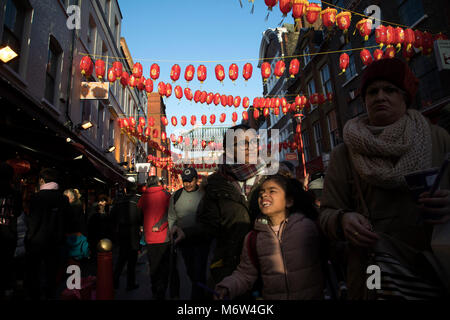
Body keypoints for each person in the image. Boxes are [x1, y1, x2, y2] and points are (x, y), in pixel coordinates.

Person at [319, 58, 450, 299]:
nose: (380, 96)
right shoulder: (345, 153)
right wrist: (342, 220)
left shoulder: (438, 139)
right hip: (374, 267)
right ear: (365, 100)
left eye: (390, 90)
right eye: (372, 92)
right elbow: (326, 213)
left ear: (404, 97)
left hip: (433, 263)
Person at [173, 124, 266, 296]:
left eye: (253, 141)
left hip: (269, 267)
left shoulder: (272, 179)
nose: (249, 147)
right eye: (242, 143)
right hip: (230, 265)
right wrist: (186, 232)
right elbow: (209, 224)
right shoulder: (216, 184)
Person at [214, 174, 324, 300]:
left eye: (272, 191)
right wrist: (227, 286)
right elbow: (245, 274)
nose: (264, 195)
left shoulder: (308, 227)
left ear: (289, 201)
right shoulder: (253, 238)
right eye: (262, 192)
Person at [25, 168, 70, 300]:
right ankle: (49, 294)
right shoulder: (63, 199)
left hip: (37, 241)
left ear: (42, 180)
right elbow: (66, 220)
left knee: (35, 273)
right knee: (51, 273)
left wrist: (29, 238)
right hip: (56, 242)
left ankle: (36, 295)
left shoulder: (37, 197)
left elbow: (33, 221)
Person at [168, 167, 208, 300]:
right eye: (185, 181)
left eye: (190, 180)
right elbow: (171, 216)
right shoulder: (176, 195)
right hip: (182, 241)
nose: (188, 184)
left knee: (199, 272)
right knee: (188, 271)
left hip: (201, 241)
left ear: (196, 179)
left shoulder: (204, 195)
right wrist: (171, 229)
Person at [138, 175, 171, 300]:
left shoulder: (144, 196)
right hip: (163, 237)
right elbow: (171, 213)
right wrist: (161, 225)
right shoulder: (166, 195)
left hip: (149, 237)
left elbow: (140, 212)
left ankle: (154, 288)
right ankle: (161, 290)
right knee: (164, 266)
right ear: (158, 183)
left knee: (153, 265)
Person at [111, 180, 142, 291]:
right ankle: (130, 283)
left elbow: (112, 216)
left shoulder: (118, 201)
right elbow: (141, 217)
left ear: (125, 189)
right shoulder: (137, 200)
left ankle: (115, 281)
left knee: (121, 258)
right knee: (132, 260)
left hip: (121, 231)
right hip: (133, 231)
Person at [0, 162, 22, 299]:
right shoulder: (15, 194)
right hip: (9, 231)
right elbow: (19, 212)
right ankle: (6, 288)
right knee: (7, 262)